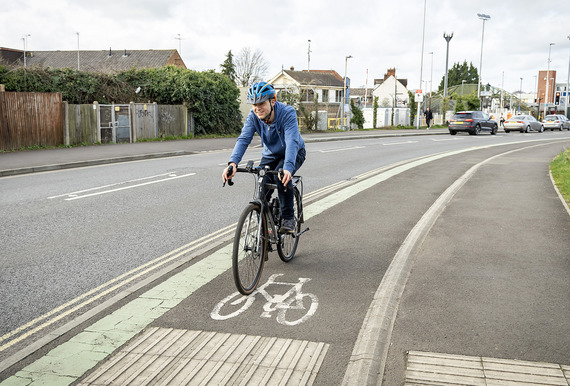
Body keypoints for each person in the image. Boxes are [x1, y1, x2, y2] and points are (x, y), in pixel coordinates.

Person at [222, 82, 306, 234]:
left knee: (282, 178)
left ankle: (288, 218)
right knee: (262, 192)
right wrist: (233, 163)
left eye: (261, 103)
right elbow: (243, 139)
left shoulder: (287, 113)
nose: (257, 108)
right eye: (254, 104)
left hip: (293, 152)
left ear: (272, 101)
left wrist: (287, 167)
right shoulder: (254, 117)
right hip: (270, 155)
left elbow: (292, 142)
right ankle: (266, 227)